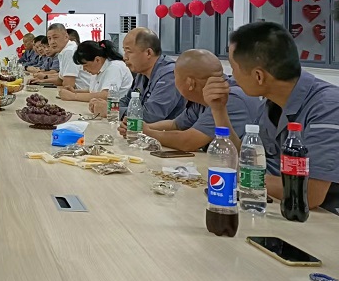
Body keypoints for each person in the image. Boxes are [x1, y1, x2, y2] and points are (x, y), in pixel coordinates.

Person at [211, 22, 339, 213]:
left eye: (233, 68)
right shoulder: (271, 104)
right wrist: (219, 110)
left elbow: (309, 193)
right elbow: (247, 160)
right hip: (282, 210)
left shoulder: (327, 107)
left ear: (258, 76)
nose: (232, 77)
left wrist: (235, 177)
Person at [126, 49, 262, 152]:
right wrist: (141, 127)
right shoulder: (202, 96)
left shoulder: (228, 98)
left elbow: (188, 142)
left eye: (175, 77)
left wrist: (147, 133)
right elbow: (176, 124)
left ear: (190, 83)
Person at [89, 28, 185, 123]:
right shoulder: (142, 73)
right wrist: (108, 105)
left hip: (163, 132)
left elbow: (151, 115)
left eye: (129, 52)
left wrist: (111, 110)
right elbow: (128, 100)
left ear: (148, 53)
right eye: (124, 51)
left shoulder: (169, 75)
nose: (124, 57)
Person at [59, 40, 132, 102]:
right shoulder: (98, 69)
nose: (84, 69)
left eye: (86, 65)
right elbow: (94, 91)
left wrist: (73, 96)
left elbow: (106, 95)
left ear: (97, 60)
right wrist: (74, 91)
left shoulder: (114, 67)